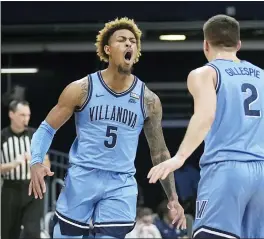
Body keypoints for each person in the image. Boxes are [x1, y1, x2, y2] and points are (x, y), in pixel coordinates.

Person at [28, 17, 186, 239]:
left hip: (120, 183)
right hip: (83, 176)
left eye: (133, 41)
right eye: (122, 40)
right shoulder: (82, 89)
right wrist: (36, 160)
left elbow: (159, 152)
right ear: (108, 49)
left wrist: (172, 197)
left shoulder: (148, 99)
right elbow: (46, 128)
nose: (129, 44)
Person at [148, 14, 264, 238]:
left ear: (205, 44)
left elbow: (205, 115)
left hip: (226, 169)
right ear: (239, 45)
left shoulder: (205, 73)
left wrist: (180, 157)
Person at [1, 100, 50, 239]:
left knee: (32, 231)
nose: (26, 119)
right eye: (22, 115)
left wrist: (38, 161)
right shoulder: (2, 137)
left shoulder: (35, 136)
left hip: (33, 187)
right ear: (11, 114)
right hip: (11, 189)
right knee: (9, 232)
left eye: (28, 115)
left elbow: (47, 163)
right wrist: (13, 164)